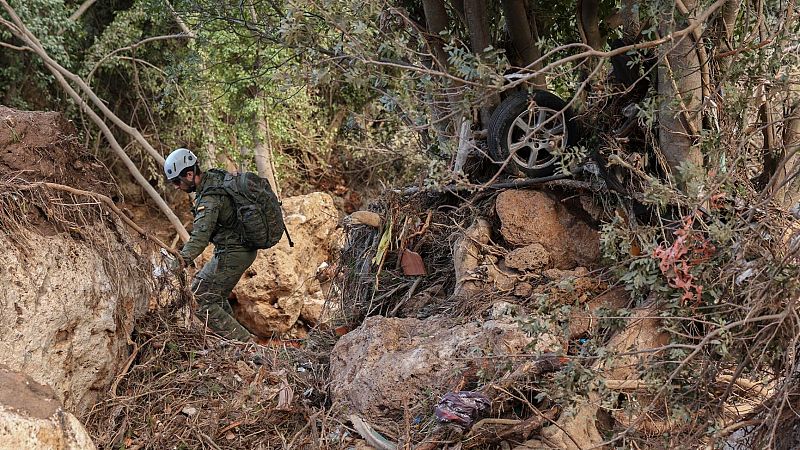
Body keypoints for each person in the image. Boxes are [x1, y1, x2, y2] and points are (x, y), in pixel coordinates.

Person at [164, 147, 255, 342]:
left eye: (177, 182)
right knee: (212, 294)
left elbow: (199, 239)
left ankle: (247, 346)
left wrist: (175, 264)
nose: (176, 187)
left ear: (189, 174)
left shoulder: (210, 198)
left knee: (200, 299)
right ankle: (237, 342)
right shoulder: (215, 177)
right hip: (233, 250)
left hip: (234, 253)